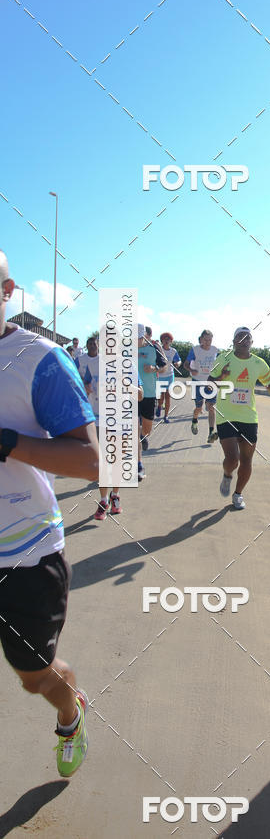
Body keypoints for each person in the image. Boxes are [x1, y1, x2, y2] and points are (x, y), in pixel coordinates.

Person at [0, 249, 99, 776]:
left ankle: (70, 713)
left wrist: (9, 443)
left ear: (8, 291)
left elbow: (91, 461)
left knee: (34, 676)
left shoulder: (39, 360)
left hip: (23, 552)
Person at [208, 328, 270, 510]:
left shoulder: (258, 363)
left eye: (248, 337)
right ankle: (227, 473)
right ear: (234, 341)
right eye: (240, 336)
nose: (244, 340)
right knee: (232, 459)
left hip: (249, 417)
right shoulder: (224, 358)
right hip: (226, 415)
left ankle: (238, 494)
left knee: (246, 460)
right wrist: (221, 377)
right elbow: (209, 382)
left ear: (251, 342)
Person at [76, 335, 143, 517]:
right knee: (103, 462)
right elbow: (84, 384)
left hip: (121, 420)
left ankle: (115, 495)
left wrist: (126, 384)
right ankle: (104, 501)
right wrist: (86, 388)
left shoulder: (128, 365)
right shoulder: (93, 363)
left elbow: (140, 395)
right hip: (99, 420)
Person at [137, 324, 167, 456]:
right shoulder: (124, 349)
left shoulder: (154, 348)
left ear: (144, 336)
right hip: (130, 394)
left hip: (149, 393)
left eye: (138, 337)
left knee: (148, 428)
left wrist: (154, 369)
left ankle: (143, 435)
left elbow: (164, 366)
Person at [186, 330, 220, 442]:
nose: (208, 342)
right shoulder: (195, 350)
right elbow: (186, 364)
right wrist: (192, 370)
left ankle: (211, 433)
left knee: (211, 408)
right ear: (201, 339)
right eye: (206, 339)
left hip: (210, 382)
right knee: (199, 408)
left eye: (210, 339)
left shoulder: (215, 350)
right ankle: (194, 421)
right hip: (197, 381)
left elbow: (220, 364)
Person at [156, 332, 181, 423]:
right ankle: (159, 406)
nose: (166, 341)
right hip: (160, 375)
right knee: (161, 396)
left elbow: (178, 360)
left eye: (168, 339)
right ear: (162, 341)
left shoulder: (173, 351)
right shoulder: (158, 350)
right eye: (164, 339)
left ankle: (166, 416)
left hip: (170, 375)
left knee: (168, 396)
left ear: (171, 341)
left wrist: (177, 364)